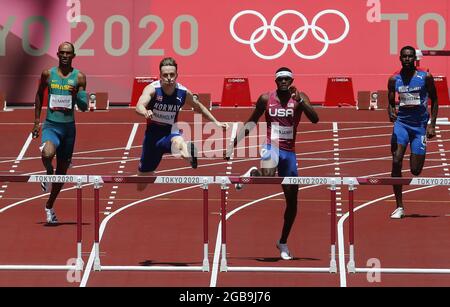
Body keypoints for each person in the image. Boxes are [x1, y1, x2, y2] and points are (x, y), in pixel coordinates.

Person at [225, 67, 319, 260]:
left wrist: (300, 100)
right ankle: (254, 173)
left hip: (290, 153)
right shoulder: (265, 99)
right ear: (275, 82)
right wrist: (232, 145)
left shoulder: (299, 97)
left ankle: (282, 242)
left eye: (287, 79)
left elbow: (315, 119)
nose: (283, 81)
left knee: (292, 204)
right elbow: (251, 122)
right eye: (280, 79)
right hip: (271, 146)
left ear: (291, 80)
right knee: (268, 172)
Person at [135, 57, 228, 191]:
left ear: (177, 75)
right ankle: (151, 169)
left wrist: (216, 123)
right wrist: (145, 111)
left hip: (170, 133)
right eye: (165, 75)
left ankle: (190, 155)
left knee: (179, 142)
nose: (169, 78)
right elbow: (139, 105)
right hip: (152, 138)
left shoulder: (183, 92)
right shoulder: (152, 89)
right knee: (141, 185)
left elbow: (199, 107)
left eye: (172, 75)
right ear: (160, 76)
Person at [31, 42, 88, 224]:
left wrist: (75, 96)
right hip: (51, 125)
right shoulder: (48, 74)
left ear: (73, 56)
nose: (64, 55)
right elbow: (39, 94)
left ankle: (49, 206)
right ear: (57, 54)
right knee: (47, 153)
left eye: (68, 53)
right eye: (62, 53)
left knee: (62, 173)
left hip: (69, 129)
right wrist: (36, 121)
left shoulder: (79, 77)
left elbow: (84, 107)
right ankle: (48, 170)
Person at [388, 45, 438, 219]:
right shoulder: (394, 79)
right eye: (404, 56)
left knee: (416, 170)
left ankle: (414, 149)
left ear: (414, 59)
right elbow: (390, 100)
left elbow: (436, 99)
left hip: (419, 127)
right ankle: (399, 206)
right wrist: (391, 110)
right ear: (400, 58)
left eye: (410, 56)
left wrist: (432, 124)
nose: (407, 59)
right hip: (401, 124)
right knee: (396, 160)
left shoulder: (425, 77)